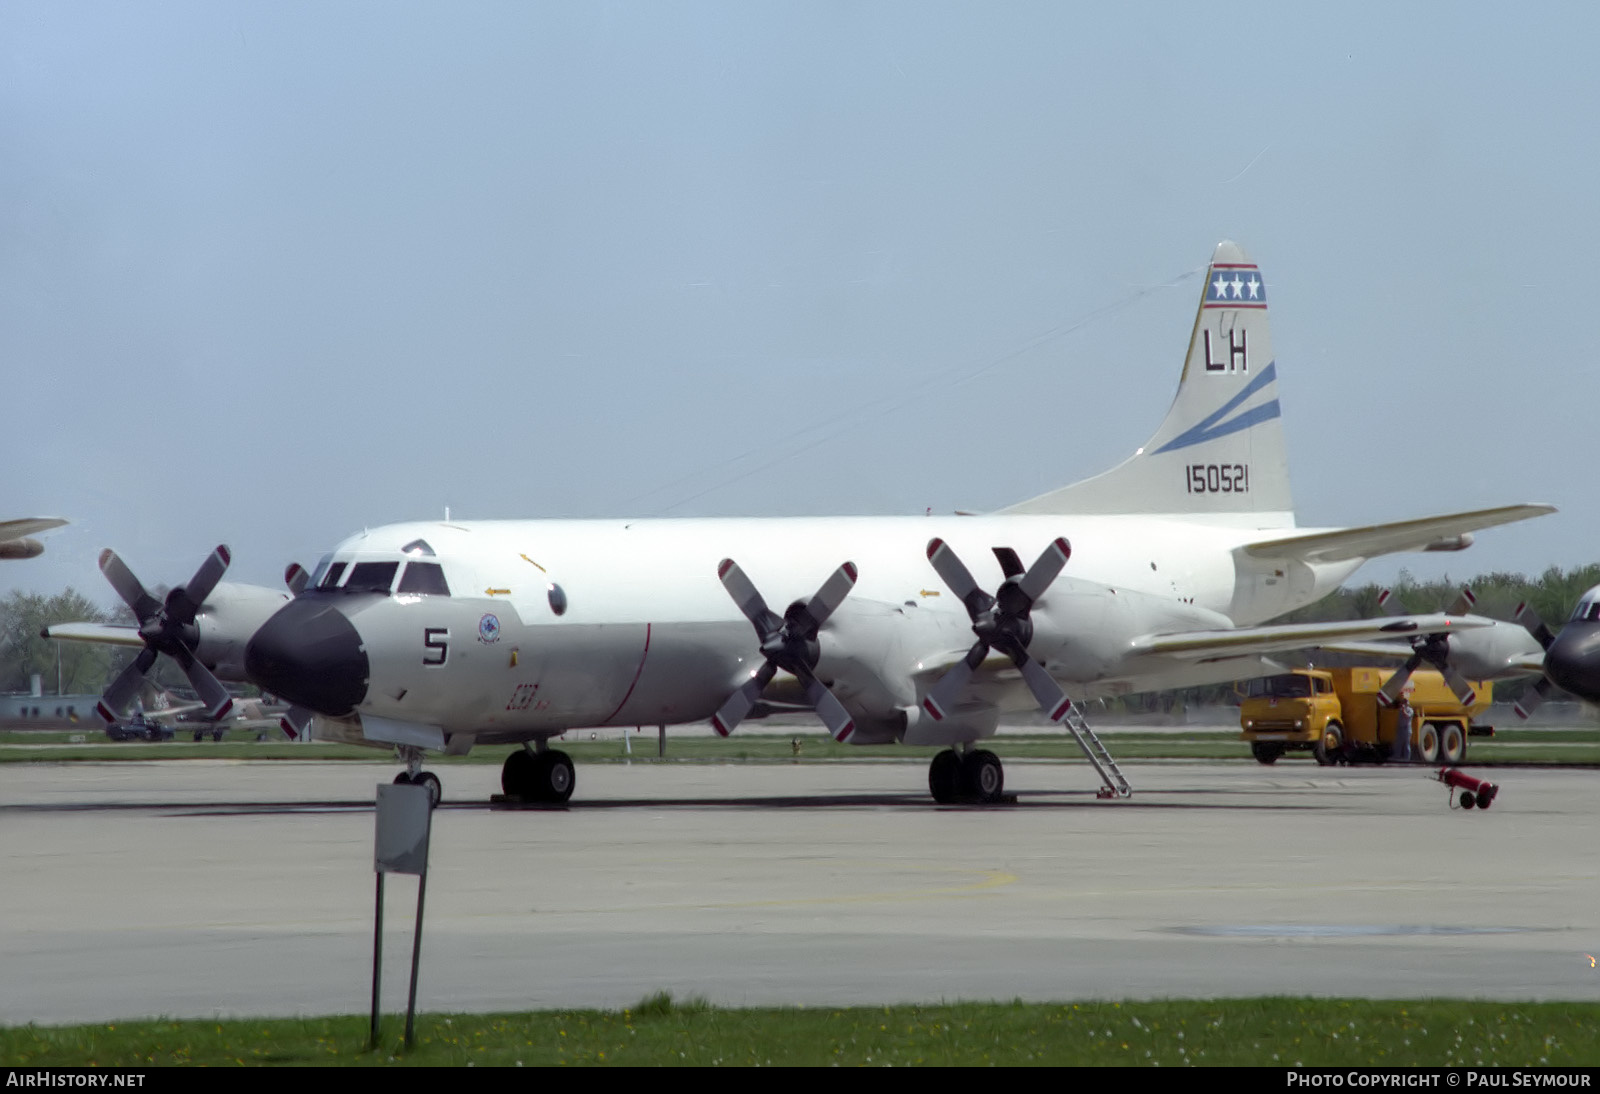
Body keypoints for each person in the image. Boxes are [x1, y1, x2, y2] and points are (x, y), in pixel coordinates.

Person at [1392, 693, 1415, 763]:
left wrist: (1403, 710)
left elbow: (1407, 716)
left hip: (1406, 729)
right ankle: (1397, 756)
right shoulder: (1400, 710)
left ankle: (1407, 758)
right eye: (1403, 702)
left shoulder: (1410, 710)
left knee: (1406, 744)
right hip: (1401, 728)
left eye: (1405, 703)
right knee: (1398, 743)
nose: (1403, 704)